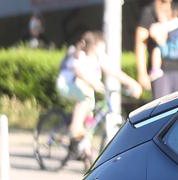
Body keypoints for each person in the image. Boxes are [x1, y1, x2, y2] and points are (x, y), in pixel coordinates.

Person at [55, 31, 142, 163]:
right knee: (84, 99)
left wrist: (132, 83)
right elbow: (79, 72)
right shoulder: (80, 54)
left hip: (86, 90)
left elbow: (114, 71)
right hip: (67, 85)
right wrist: (94, 83)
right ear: (94, 46)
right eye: (101, 46)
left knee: (91, 114)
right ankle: (75, 127)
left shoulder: (98, 57)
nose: (102, 50)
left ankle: (85, 148)